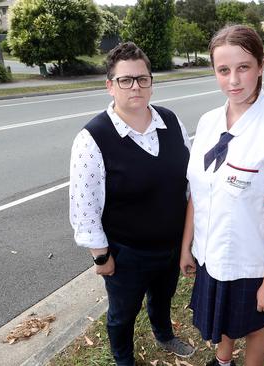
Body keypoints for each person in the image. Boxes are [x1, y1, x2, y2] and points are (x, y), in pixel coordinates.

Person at [180, 25, 264, 366]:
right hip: (209, 251)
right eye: (224, 70)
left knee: (253, 326)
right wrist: (187, 247)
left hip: (248, 257)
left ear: (261, 65)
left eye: (243, 67)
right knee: (221, 321)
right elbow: (198, 191)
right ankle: (223, 362)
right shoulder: (208, 123)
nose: (233, 80)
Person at [69, 42, 195, 366]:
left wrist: (187, 240)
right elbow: (86, 208)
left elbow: (190, 177)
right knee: (122, 313)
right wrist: (101, 257)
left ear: (152, 82)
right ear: (110, 86)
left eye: (142, 78)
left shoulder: (170, 120)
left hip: (170, 244)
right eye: (125, 80)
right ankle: (123, 358)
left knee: (163, 297)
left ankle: (164, 334)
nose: (135, 86)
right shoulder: (92, 139)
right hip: (127, 254)